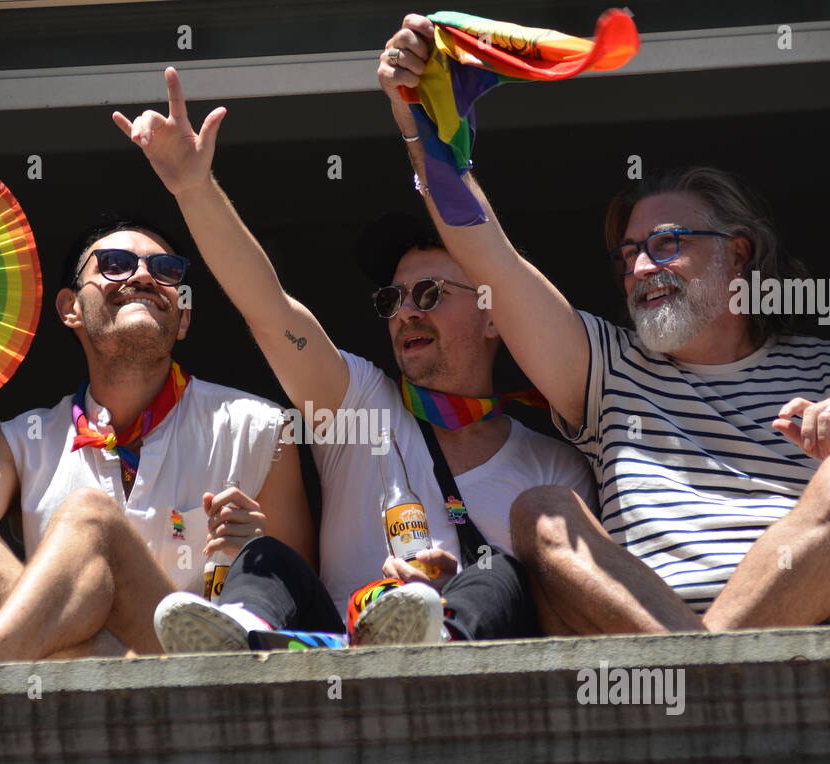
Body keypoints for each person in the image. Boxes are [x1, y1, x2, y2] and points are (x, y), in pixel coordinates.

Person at [377, 15, 830, 634]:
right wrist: (427, 132)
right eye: (629, 254)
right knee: (541, 511)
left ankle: (702, 669)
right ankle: (702, 665)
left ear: (737, 253)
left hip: (798, 633)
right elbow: (489, 257)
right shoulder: (609, 367)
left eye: (665, 243)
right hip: (645, 635)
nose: (640, 267)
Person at [111, 68, 595, 650]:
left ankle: (442, 628)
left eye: (430, 295)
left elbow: (562, 616)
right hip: (341, 665)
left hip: (467, 683)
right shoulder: (356, 404)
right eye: (392, 299)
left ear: (494, 314)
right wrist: (192, 186)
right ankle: (245, 640)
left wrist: (449, 586)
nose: (406, 313)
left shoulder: (553, 468)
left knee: (499, 574)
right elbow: (271, 312)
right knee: (267, 558)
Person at [0, 216, 313, 666]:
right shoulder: (25, 440)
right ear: (70, 308)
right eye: (115, 264)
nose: (142, 275)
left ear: (183, 319)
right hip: (76, 696)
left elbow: (302, 608)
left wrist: (259, 551)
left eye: (166, 270)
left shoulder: (261, 427)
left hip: (190, 691)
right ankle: (48, 672)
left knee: (89, 516)